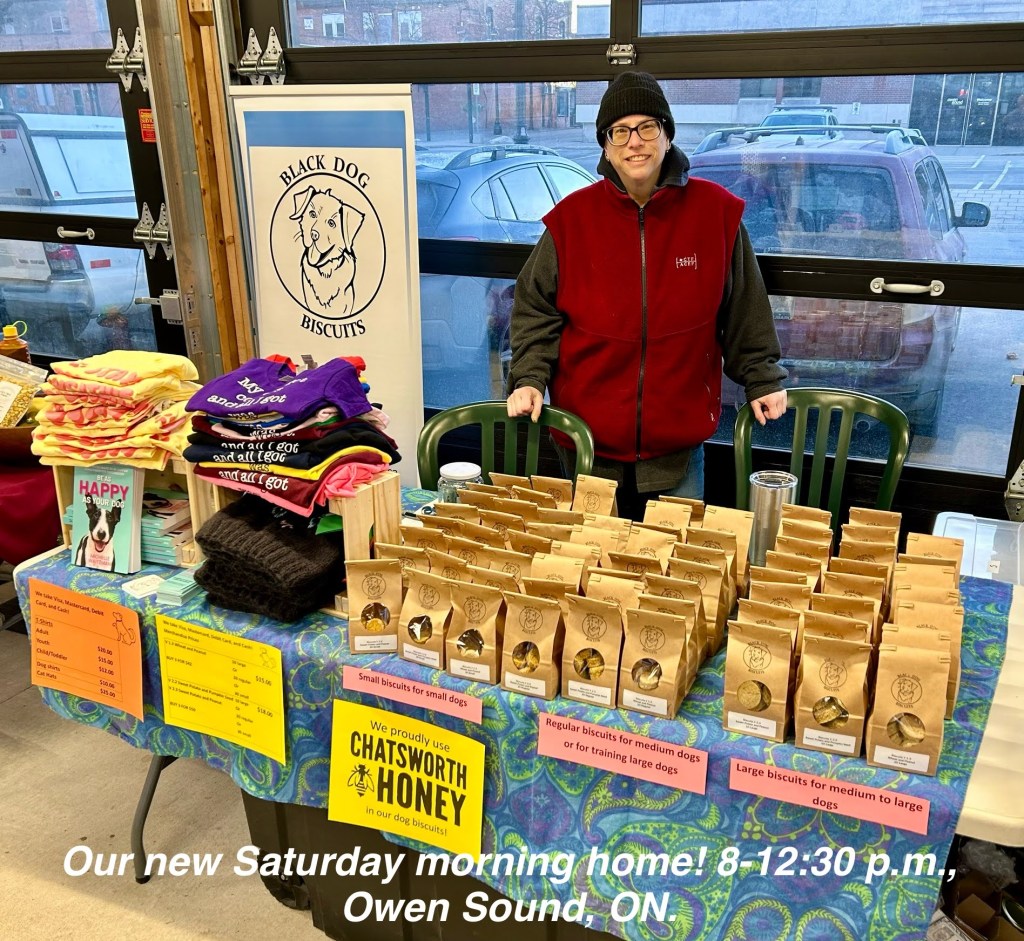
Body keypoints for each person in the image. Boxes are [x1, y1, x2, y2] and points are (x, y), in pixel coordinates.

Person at [505, 70, 788, 518]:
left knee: (675, 558)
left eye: (647, 127)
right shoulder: (570, 221)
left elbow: (744, 307)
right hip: (586, 447)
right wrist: (528, 377)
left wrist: (762, 377)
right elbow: (535, 307)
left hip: (677, 446)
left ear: (668, 136)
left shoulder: (715, 214)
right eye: (619, 131)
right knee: (591, 558)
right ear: (606, 147)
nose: (634, 142)